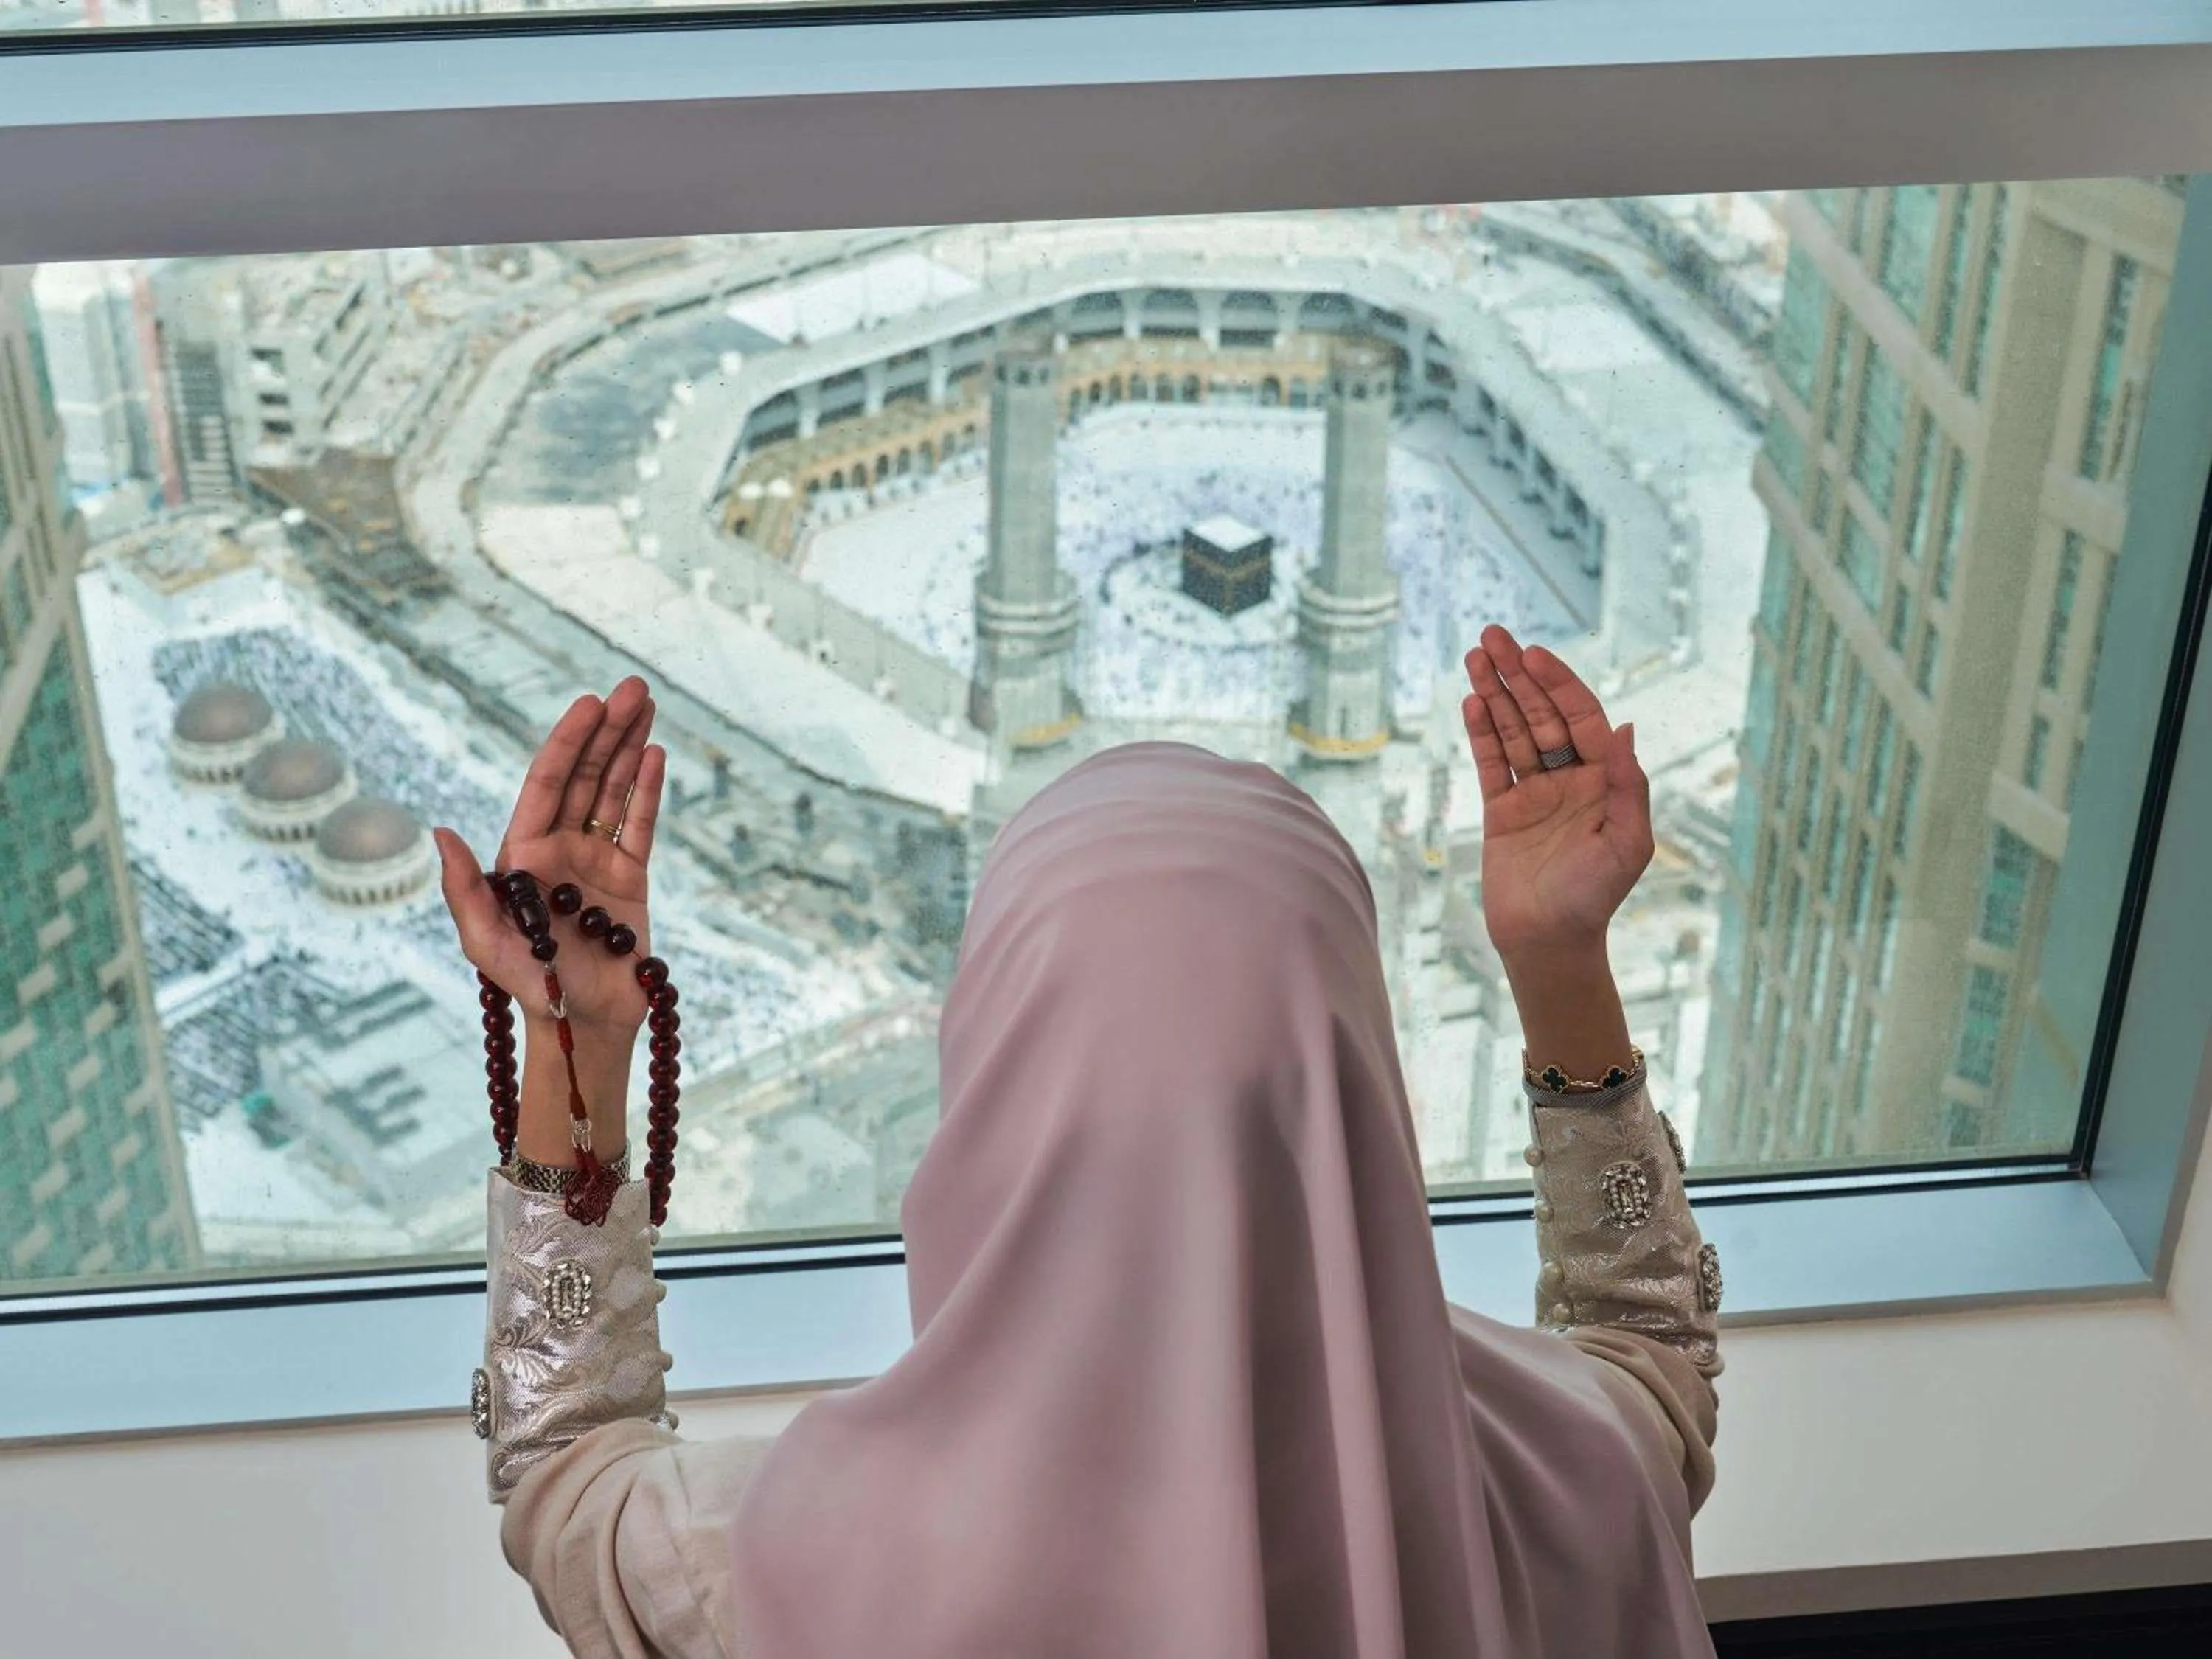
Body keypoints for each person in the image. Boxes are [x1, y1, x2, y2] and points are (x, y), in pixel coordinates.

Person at [436, 622, 1722, 1659]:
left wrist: (575, 1042)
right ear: (1351, 1083)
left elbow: (568, 1473)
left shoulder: (798, 1578)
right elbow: (1648, 1348)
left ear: (999, 1094)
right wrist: (1559, 962)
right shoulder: (1562, 1488)